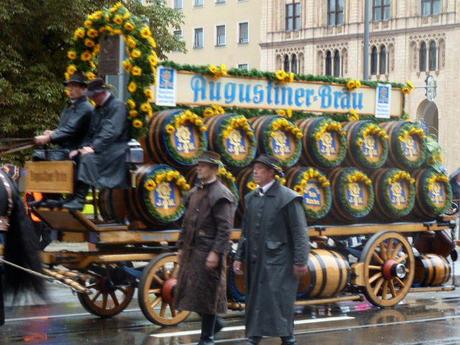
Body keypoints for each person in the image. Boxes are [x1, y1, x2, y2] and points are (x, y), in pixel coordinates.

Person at [233, 155, 309, 345]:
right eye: (255, 168)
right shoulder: (251, 198)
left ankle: (287, 337)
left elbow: (300, 232)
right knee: (255, 298)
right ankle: (254, 336)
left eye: (259, 169)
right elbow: (245, 232)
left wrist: (301, 261)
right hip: (255, 260)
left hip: (279, 261)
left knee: (278, 299)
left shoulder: (288, 198)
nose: (255, 172)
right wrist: (238, 256)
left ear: (271, 173)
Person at [175, 151, 237, 345]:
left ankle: (207, 338)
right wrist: (180, 247)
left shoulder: (221, 195)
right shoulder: (195, 192)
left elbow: (225, 228)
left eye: (203, 165)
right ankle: (215, 324)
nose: (199, 168)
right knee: (190, 291)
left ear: (214, 169)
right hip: (192, 250)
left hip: (208, 250)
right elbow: (186, 223)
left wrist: (216, 252)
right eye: (199, 165)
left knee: (208, 293)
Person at [62, 78, 129, 210]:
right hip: (102, 148)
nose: (92, 99)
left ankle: (80, 199)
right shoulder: (98, 109)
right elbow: (91, 133)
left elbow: (111, 131)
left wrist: (93, 148)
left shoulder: (117, 106)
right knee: (72, 156)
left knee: (88, 158)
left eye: (94, 96)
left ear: (102, 93)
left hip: (116, 150)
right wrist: (80, 148)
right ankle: (72, 195)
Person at [34, 73, 92, 150]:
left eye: (74, 86)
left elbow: (70, 129)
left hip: (78, 154)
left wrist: (49, 137)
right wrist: (53, 132)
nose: (70, 89)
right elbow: (64, 128)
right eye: (69, 86)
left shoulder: (85, 107)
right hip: (65, 152)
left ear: (84, 89)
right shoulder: (69, 106)